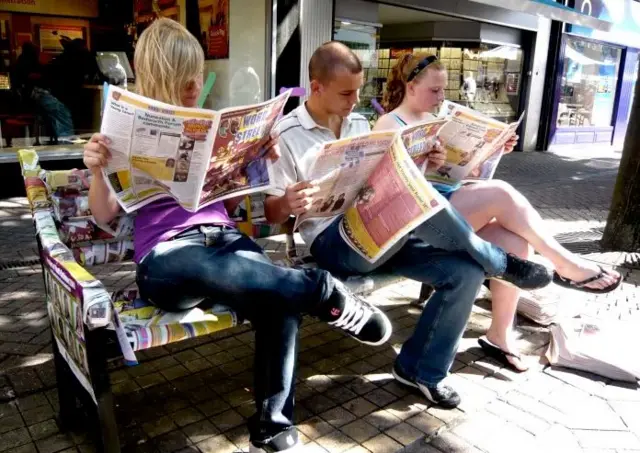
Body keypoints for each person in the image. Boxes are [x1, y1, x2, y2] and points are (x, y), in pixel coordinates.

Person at [83, 19, 392, 453]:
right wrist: (97, 166)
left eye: (197, 75)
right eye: (185, 79)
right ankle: (323, 290)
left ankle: (272, 422)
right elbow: (103, 214)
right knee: (263, 280)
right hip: (168, 256)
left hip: (223, 240)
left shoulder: (207, 124)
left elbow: (227, 208)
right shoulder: (120, 127)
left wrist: (250, 164)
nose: (196, 85)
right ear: (160, 75)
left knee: (276, 297)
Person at [264, 42, 552, 409]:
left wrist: (423, 166)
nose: (355, 102)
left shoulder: (355, 121)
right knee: (423, 204)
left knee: (463, 271)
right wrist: (288, 203)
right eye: (346, 93)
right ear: (316, 87)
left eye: (358, 90)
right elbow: (271, 213)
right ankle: (500, 262)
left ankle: (422, 371)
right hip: (334, 243)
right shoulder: (287, 133)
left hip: (378, 233)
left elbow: (379, 177)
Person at [375, 51, 623, 371]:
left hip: (452, 212)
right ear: (411, 87)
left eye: (443, 90)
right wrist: (423, 162)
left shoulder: (435, 121)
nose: (440, 98)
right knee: (502, 193)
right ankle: (564, 263)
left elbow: (460, 176)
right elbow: (386, 189)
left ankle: (499, 335)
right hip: (418, 222)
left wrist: (489, 152)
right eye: (434, 90)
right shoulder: (389, 123)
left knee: (516, 245)